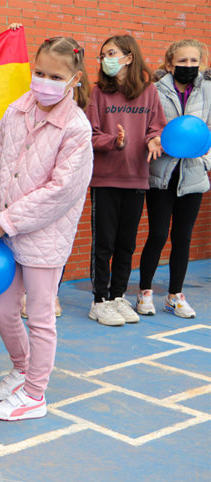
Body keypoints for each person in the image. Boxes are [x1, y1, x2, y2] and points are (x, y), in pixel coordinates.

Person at [0, 37, 93, 421]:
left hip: (44, 237)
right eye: (40, 72)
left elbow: (61, 191)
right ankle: (21, 369)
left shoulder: (76, 128)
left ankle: (34, 394)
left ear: (75, 79)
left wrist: (8, 220)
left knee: (41, 316)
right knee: (2, 309)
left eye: (56, 77)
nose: (45, 81)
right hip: (5, 231)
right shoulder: (16, 109)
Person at [85, 34, 166, 326]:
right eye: (103, 55)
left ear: (129, 58)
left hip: (137, 179)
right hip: (105, 179)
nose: (105, 59)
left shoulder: (149, 92)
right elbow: (89, 134)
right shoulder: (97, 93)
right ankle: (99, 301)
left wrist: (155, 139)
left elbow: (156, 128)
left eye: (112, 53)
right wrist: (114, 142)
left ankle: (118, 295)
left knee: (126, 244)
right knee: (103, 244)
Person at [137, 39, 210, 318]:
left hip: (193, 176)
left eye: (193, 61)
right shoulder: (154, 91)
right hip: (161, 175)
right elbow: (146, 128)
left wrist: (205, 160)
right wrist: (155, 140)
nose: (188, 66)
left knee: (183, 237)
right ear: (169, 64)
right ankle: (144, 291)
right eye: (182, 61)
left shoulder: (208, 91)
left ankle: (175, 296)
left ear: (200, 64)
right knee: (157, 234)